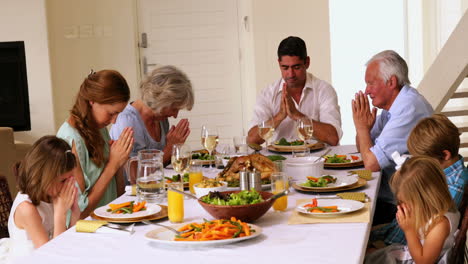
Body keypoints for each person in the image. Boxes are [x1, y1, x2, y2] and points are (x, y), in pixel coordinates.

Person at [352, 50, 433, 225]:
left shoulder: (407, 107)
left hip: (409, 207)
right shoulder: (392, 107)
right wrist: (363, 129)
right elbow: (364, 149)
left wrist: (361, 128)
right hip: (394, 197)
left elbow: (371, 163)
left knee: (347, 214)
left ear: (391, 82)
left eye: (371, 83)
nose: (366, 91)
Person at [371, 114, 467, 246]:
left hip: (405, 246)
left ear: (445, 155)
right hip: (396, 233)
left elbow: (422, 228)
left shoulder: (455, 185)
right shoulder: (441, 174)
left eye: (424, 160)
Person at [57, 70, 134, 218]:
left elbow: (117, 196)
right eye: (111, 113)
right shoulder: (70, 140)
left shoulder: (100, 129)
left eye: (118, 114)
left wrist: (119, 164)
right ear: (92, 101)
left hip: (108, 220)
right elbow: (78, 213)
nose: (114, 121)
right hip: (86, 229)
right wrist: (112, 165)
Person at [247, 36, 342, 146]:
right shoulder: (267, 94)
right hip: (280, 160)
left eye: (296, 67)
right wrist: (279, 117)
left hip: (317, 159)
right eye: (285, 68)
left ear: (307, 62)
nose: (290, 74)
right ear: (279, 63)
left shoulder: (324, 90)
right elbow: (251, 141)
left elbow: (333, 138)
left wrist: (298, 116)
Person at [365, 156, 460, 263]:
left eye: (406, 202)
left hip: (416, 259)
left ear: (425, 199)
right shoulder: (434, 210)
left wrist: (409, 230)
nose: (402, 205)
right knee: (369, 253)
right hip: (411, 252)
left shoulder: (440, 224)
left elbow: (423, 261)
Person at [0, 136, 80, 261]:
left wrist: (75, 211)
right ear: (44, 177)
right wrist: (60, 214)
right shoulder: (26, 208)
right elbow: (50, 258)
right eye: (64, 180)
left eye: (71, 179)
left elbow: (65, 241)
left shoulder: (50, 195)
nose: (69, 185)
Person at [110, 65, 194, 166]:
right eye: (174, 109)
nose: (175, 115)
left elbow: (163, 166)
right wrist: (170, 148)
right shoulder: (127, 121)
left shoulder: (161, 119)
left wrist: (174, 149)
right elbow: (135, 174)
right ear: (161, 100)